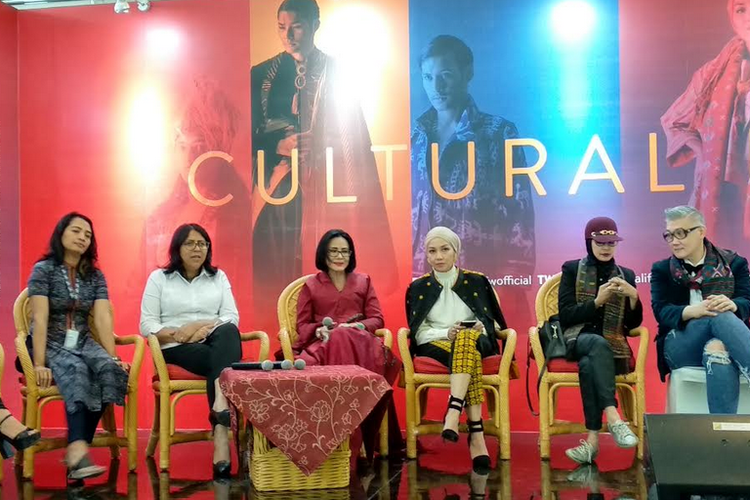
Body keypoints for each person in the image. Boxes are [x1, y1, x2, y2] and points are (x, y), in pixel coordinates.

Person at [251, 0, 397, 325]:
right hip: (278, 188)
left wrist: (321, 148)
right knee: (273, 264)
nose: (288, 35)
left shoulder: (338, 71)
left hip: (329, 188)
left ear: (315, 25)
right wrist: (279, 145)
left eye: (297, 26)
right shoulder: (261, 75)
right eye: (281, 27)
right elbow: (246, 137)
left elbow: (354, 136)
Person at [411, 35, 535, 329]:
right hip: (428, 269)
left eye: (445, 75)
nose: (436, 86)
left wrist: (514, 275)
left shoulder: (497, 131)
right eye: (428, 77)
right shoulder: (417, 135)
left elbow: (519, 207)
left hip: (485, 266)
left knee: (487, 343)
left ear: (467, 73)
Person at [25, 212, 129, 480]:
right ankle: (78, 451)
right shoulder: (44, 270)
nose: (83, 237)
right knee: (78, 369)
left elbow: (103, 318)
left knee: (109, 370)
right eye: (76, 231)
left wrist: (113, 357)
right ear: (61, 233)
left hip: (82, 341)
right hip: (49, 341)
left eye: (88, 235)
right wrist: (38, 364)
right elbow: (39, 318)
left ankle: (77, 448)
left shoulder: (95, 276)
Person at [283, 228, 402, 454]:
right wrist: (319, 329)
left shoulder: (364, 281)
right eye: (334, 251)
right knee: (332, 340)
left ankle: (351, 437)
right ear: (323, 254)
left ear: (351, 254)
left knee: (343, 334)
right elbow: (302, 326)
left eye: (345, 252)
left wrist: (355, 327)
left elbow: (377, 319)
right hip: (324, 343)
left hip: (360, 343)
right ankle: (339, 438)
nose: (340, 256)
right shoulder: (311, 285)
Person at [139, 223, 242, 479]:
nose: (198, 249)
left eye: (203, 244)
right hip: (176, 347)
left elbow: (231, 316)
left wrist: (199, 327)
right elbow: (147, 324)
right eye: (190, 243)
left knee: (229, 331)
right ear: (177, 248)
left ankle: (220, 420)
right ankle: (220, 423)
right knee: (223, 363)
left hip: (212, 339)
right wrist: (179, 333)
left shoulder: (218, 277)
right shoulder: (159, 279)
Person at [405, 226, 509, 474]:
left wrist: (475, 328)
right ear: (426, 255)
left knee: (466, 339)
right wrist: (446, 333)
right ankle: (476, 433)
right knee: (466, 348)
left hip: (478, 340)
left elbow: (493, 324)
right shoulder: (418, 288)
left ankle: (454, 409)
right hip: (436, 344)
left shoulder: (477, 281)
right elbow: (419, 332)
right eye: (432, 251)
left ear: (456, 252)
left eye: (445, 249)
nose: (439, 256)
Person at [661, 0, 750, 251]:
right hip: (727, 193)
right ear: (732, 17)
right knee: (727, 262)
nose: (749, 17)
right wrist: (704, 156)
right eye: (741, 9)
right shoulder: (713, 73)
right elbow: (675, 120)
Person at [558, 217, 641, 465]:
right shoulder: (572, 269)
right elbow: (566, 316)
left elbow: (632, 326)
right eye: (600, 242)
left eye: (611, 243)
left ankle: (592, 443)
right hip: (577, 338)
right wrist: (597, 302)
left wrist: (633, 296)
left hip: (611, 348)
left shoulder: (626, 275)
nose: (606, 248)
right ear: (589, 242)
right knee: (595, 343)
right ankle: (614, 418)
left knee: (589, 365)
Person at [651, 205, 750, 413]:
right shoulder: (662, 269)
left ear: (701, 232)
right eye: (669, 235)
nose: (674, 241)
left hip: (728, 340)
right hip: (680, 344)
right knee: (718, 312)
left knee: (717, 347)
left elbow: (747, 300)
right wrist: (693, 311)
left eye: (681, 233)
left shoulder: (735, 263)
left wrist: (734, 304)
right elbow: (661, 311)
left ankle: (722, 430)